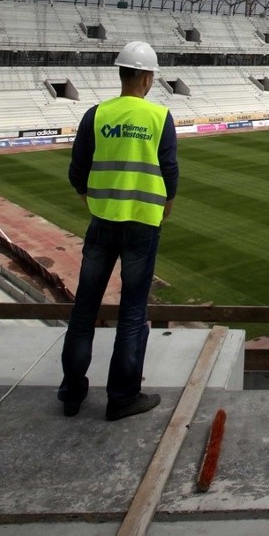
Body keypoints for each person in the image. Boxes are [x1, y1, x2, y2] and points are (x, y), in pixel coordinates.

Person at [57, 40, 178, 421]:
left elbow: (77, 171)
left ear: (122, 73)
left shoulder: (96, 115)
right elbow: (169, 173)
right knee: (131, 313)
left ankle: (72, 395)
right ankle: (122, 397)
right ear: (146, 77)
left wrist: (91, 202)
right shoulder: (159, 117)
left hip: (102, 223)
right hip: (142, 225)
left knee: (83, 311)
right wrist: (164, 210)